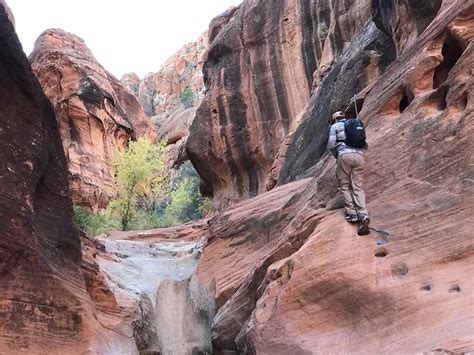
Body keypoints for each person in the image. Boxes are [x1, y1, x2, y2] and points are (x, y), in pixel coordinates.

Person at [328, 111, 370, 233]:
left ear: (335, 119)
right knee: (358, 186)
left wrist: (337, 155)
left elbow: (331, 144)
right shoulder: (354, 125)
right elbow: (365, 144)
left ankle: (352, 214)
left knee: (344, 186)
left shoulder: (335, 126)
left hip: (344, 155)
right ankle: (363, 213)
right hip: (359, 157)